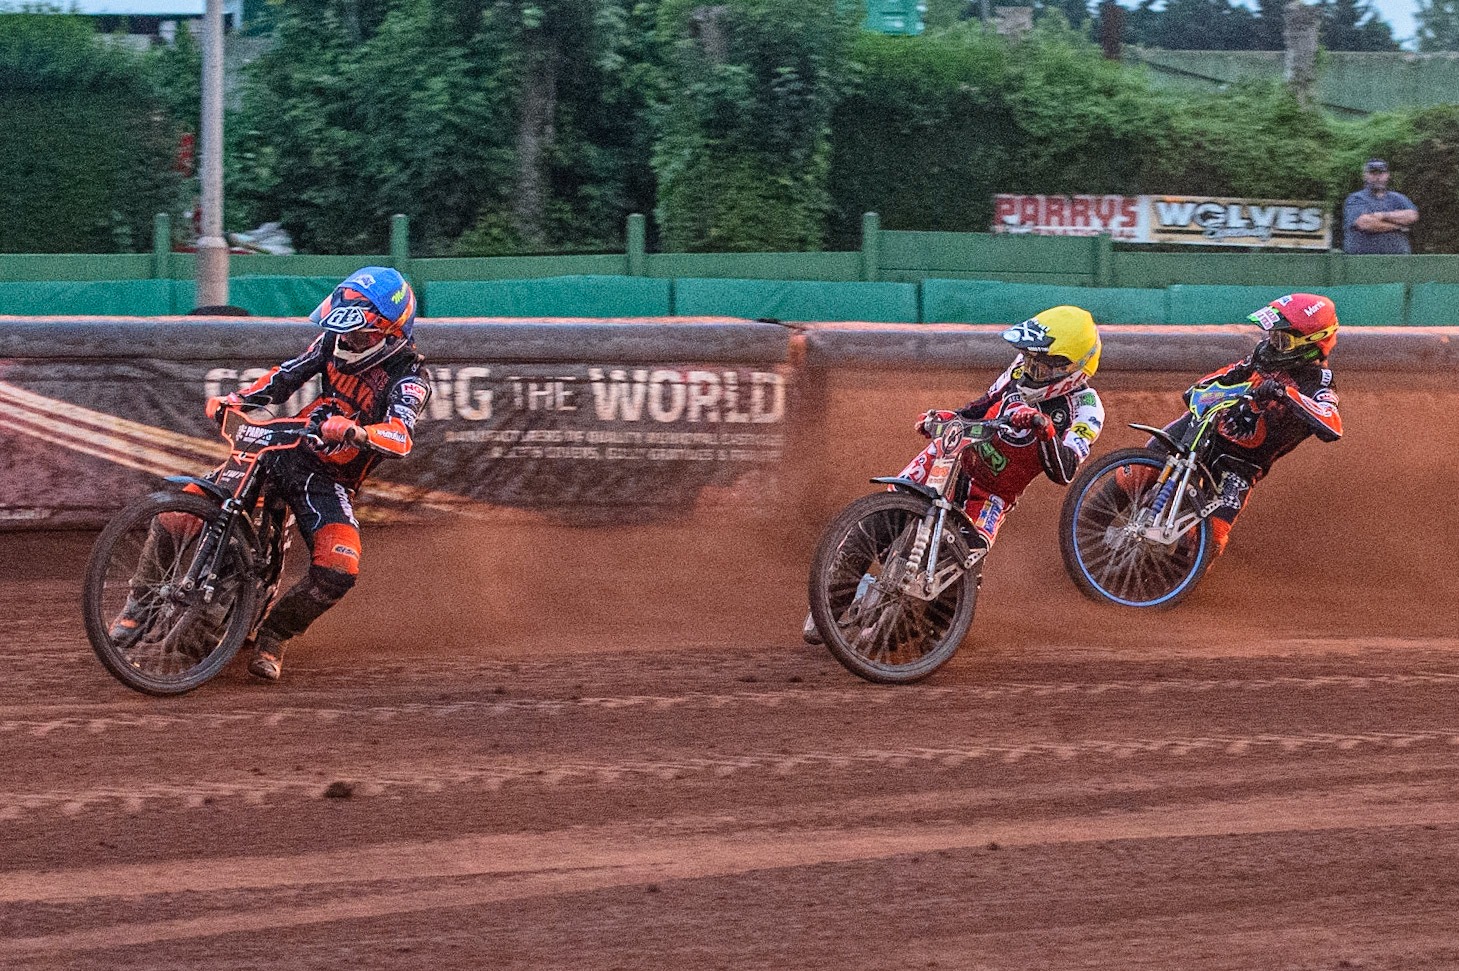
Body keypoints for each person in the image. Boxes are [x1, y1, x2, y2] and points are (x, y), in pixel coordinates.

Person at [112, 267, 431, 682]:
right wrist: (236, 400)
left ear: (391, 333)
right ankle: (141, 602)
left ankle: (275, 635)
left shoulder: (409, 378)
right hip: (281, 449)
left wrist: (357, 431)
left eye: (362, 335)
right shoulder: (332, 341)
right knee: (176, 512)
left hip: (328, 479)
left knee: (340, 566)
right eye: (346, 331)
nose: (350, 341)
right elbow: (285, 377)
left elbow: (401, 437)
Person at [804, 305, 1104, 644]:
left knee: (953, 584)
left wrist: (1044, 429)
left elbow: (1064, 471)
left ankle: (904, 637)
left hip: (991, 495)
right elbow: (981, 405)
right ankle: (828, 604)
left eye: (1042, 363)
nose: (1030, 369)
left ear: (1072, 368)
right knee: (879, 520)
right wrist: (949, 416)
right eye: (1030, 358)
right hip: (955, 455)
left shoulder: (1086, 408)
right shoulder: (1019, 371)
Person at [1164, 293, 1342, 556]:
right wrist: (1207, 393)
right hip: (1206, 432)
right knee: (1135, 472)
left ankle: (1164, 587)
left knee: (1210, 537)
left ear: (1310, 343)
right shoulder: (1261, 357)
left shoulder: (1319, 382)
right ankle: (1087, 528)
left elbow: (1333, 424)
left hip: (1240, 467)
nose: (1271, 344)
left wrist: (1287, 394)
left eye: (1281, 340)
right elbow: (1211, 382)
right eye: (1272, 335)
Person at [1343, 158, 1418, 255]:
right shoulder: (1356, 198)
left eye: (1381, 173)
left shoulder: (1398, 198)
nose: (1377, 177)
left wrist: (1382, 216)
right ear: (1365, 176)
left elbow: (1412, 216)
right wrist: (1397, 226)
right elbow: (1365, 223)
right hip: (1363, 261)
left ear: (1387, 175)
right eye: (1373, 173)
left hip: (1397, 261)